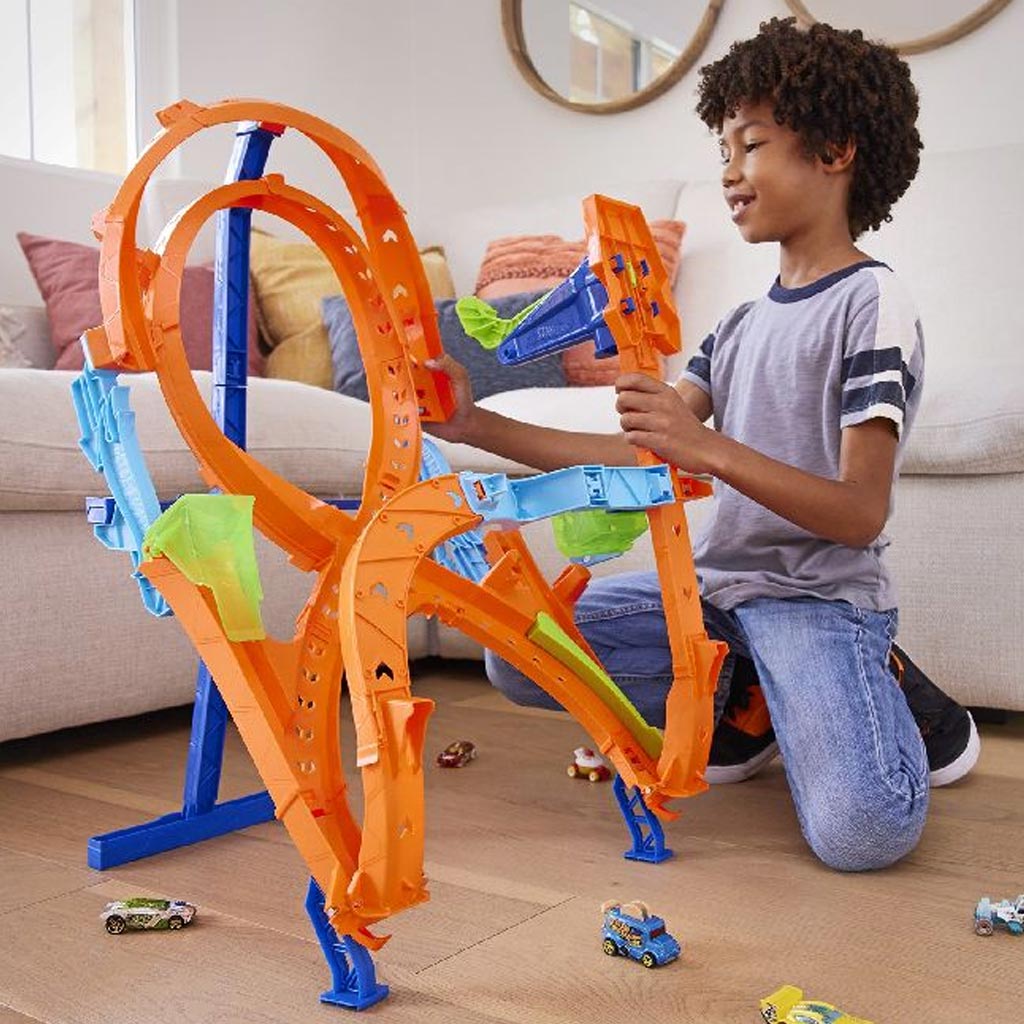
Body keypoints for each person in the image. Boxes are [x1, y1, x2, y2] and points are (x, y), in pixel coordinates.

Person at [425, 18, 978, 870]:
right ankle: (750, 694)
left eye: (751, 144)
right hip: (715, 592)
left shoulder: (872, 304)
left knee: (863, 835)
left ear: (835, 151)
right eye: (723, 149)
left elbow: (859, 514)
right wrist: (476, 426)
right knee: (521, 655)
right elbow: (642, 456)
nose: (728, 171)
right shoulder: (738, 326)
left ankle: (896, 692)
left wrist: (708, 449)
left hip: (815, 599)